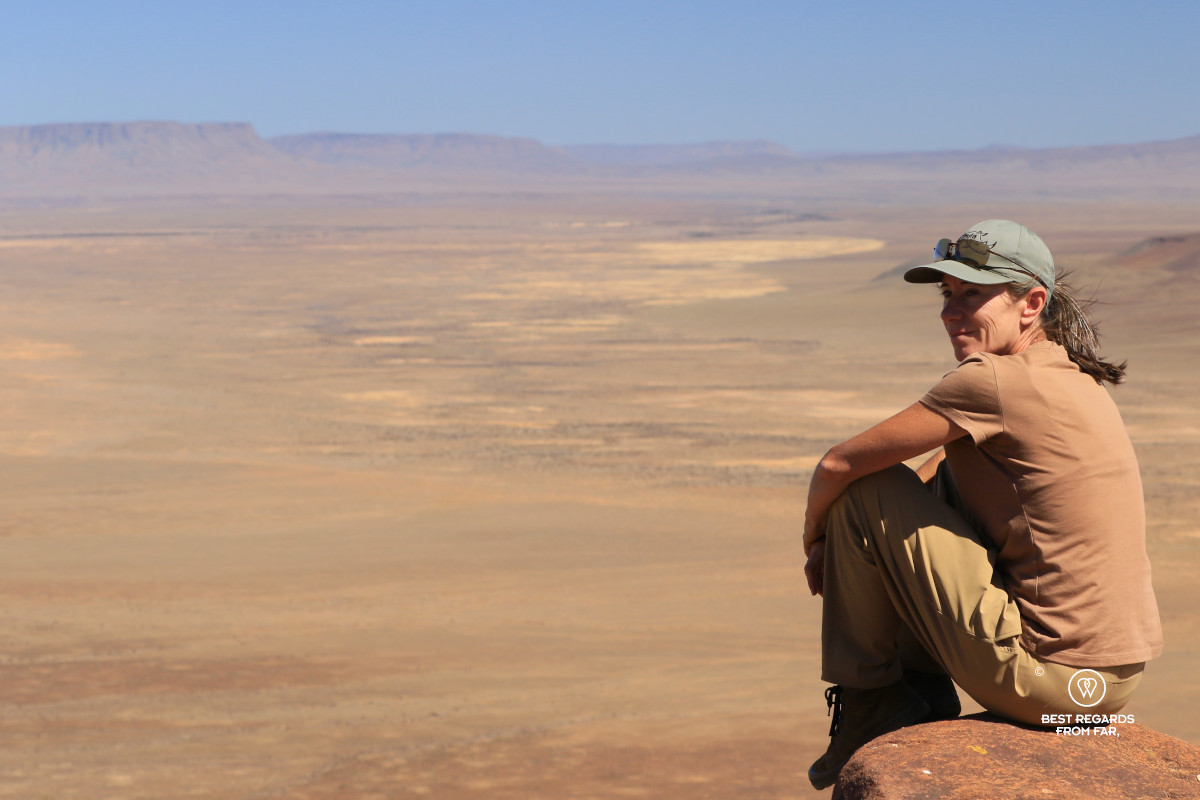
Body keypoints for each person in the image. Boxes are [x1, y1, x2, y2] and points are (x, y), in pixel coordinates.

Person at [801, 220, 1162, 790]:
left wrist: (820, 542)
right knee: (943, 481)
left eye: (973, 294)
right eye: (947, 294)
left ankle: (877, 703)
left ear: (1031, 303)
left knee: (863, 491)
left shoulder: (990, 381)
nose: (951, 312)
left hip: (1049, 681)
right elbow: (939, 476)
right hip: (1110, 684)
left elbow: (839, 465)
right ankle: (915, 686)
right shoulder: (1067, 376)